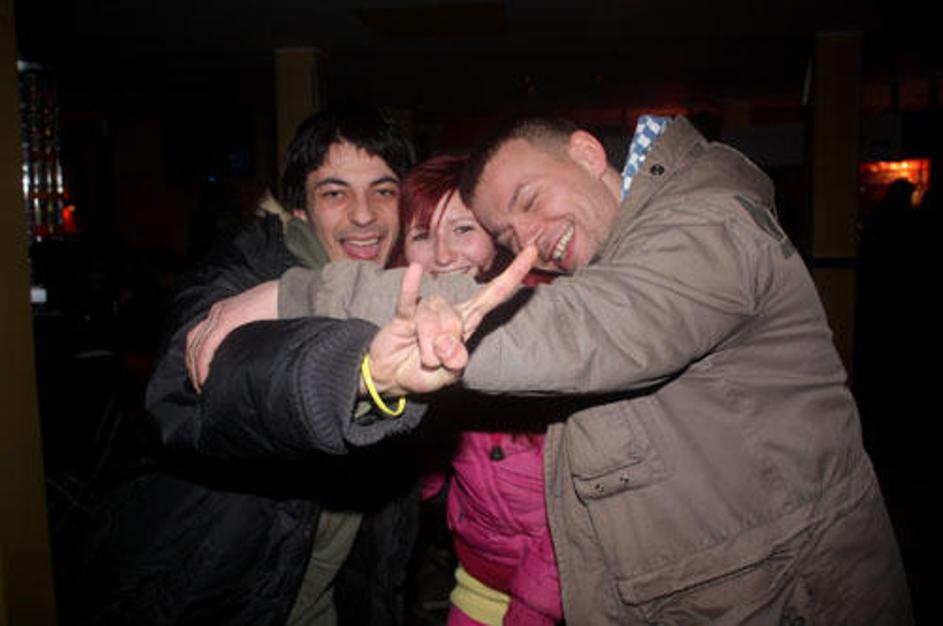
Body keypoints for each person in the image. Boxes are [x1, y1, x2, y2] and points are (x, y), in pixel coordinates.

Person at [246, 113, 913, 624]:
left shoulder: (705, 218)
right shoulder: (613, 256)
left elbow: (589, 332)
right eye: (508, 235)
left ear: (588, 154)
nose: (529, 240)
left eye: (529, 198)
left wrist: (299, 295)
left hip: (795, 598)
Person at [66, 107, 439, 626]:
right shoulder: (243, 269)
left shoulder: (397, 291)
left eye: (383, 190)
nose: (363, 215)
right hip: (202, 596)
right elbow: (190, 384)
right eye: (335, 193)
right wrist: (349, 373)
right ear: (300, 209)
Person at [396, 155, 563, 626]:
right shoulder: (412, 334)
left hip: (565, 586)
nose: (443, 256)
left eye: (463, 229)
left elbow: (578, 506)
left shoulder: (548, 324)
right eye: (422, 236)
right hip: (479, 574)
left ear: (495, 237)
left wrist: (531, 610)